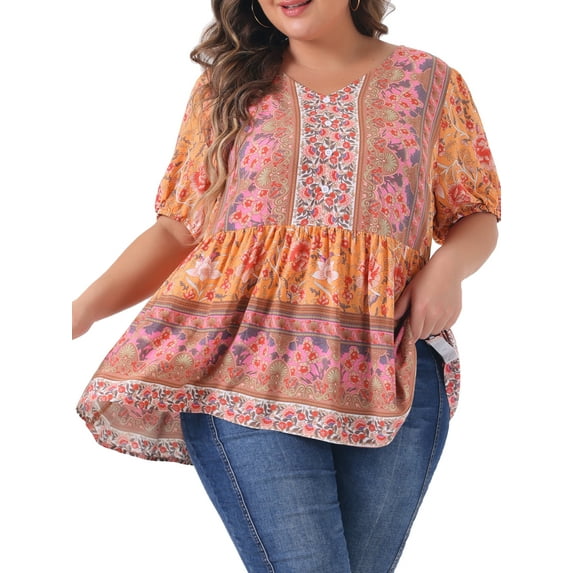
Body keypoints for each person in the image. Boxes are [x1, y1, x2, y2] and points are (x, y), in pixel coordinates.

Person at [72, 1, 501, 571]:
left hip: (392, 363)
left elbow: (475, 211)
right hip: (242, 366)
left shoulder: (431, 82)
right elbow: (178, 228)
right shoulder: (226, 87)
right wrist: (75, 311)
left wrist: (447, 270)